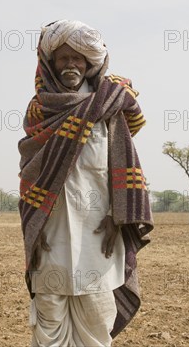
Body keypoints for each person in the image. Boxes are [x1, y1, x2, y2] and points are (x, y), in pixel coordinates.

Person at [18, 19, 154, 346]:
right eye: (64, 57)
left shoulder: (107, 105)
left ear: (89, 63)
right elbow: (29, 172)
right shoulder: (40, 110)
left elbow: (124, 157)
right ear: (51, 63)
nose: (71, 64)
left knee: (97, 317)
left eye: (79, 58)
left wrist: (119, 217)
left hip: (100, 230)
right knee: (48, 315)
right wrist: (35, 229)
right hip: (51, 229)